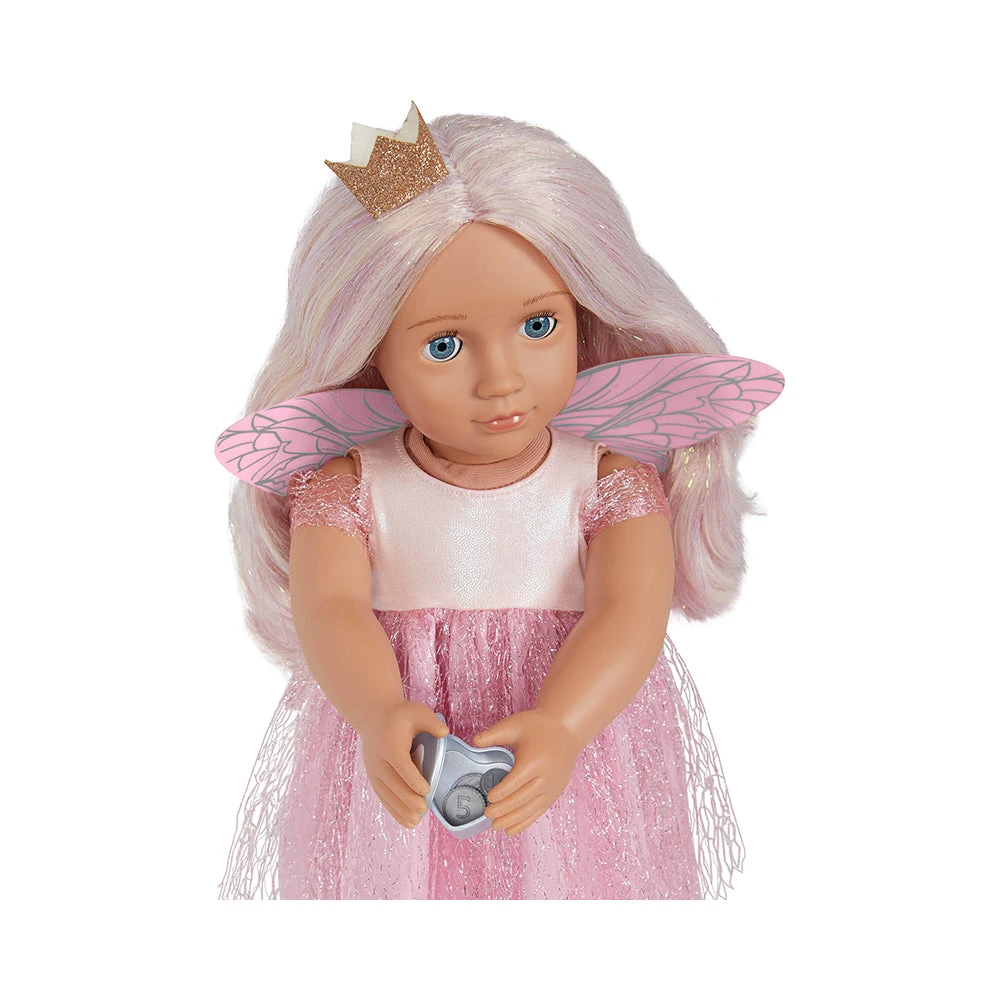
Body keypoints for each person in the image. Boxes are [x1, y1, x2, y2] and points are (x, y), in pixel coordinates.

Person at [218, 107, 765, 899]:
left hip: (569, 745)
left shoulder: (609, 479)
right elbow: (330, 608)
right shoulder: (346, 483)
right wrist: (377, 709)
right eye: (443, 346)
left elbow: (629, 613)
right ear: (371, 349)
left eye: (539, 325)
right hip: (405, 749)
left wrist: (565, 725)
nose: (500, 380)